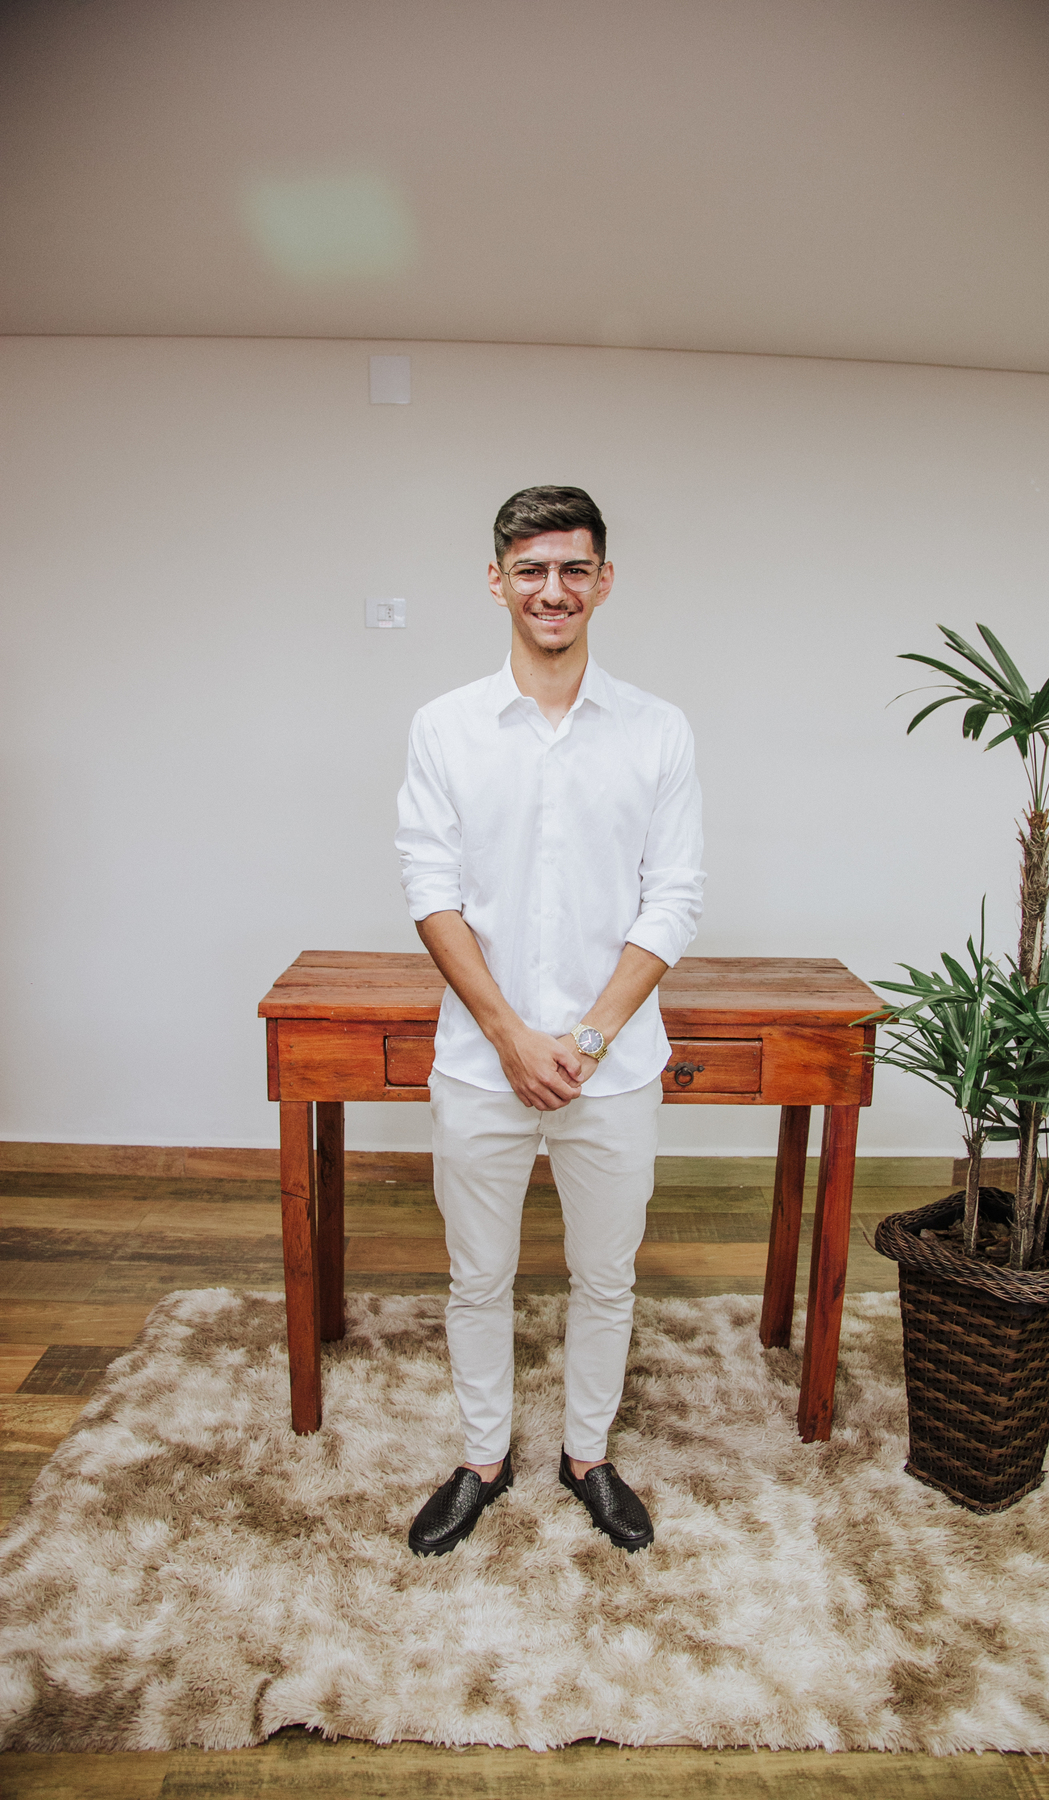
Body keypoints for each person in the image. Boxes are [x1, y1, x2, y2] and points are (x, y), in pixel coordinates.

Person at [395, 485, 704, 1556]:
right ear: (497, 582)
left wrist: (588, 1039)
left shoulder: (658, 730)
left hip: (611, 1068)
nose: (552, 589)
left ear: (604, 581)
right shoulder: (444, 727)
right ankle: (483, 1459)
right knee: (476, 1277)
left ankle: (587, 1455)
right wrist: (511, 1038)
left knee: (605, 1277)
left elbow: (674, 898)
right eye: (531, 569)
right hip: (480, 1063)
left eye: (574, 569)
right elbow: (430, 890)